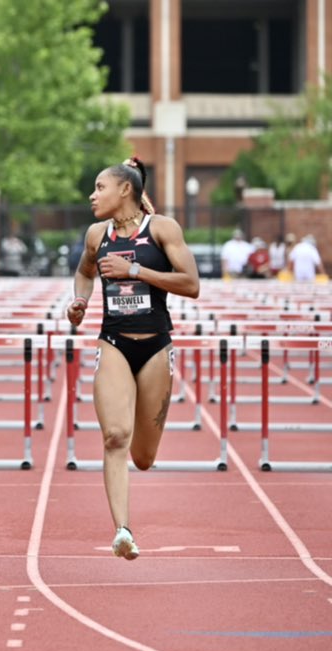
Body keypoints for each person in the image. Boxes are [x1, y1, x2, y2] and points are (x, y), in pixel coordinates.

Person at [66, 157, 200, 561]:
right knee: (114, 437)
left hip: (156, 344)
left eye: (99, 187)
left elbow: (191, 284)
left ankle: (128, 510)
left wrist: (135, 269)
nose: (92, 195)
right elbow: (85, 273)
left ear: (125, 189)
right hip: (113, 341)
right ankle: (122, 530)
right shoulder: (95, 234)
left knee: (143, 457)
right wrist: (79, 302)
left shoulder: (162, 229)